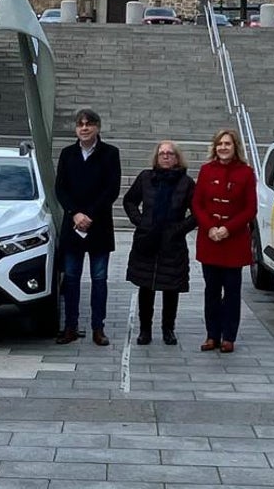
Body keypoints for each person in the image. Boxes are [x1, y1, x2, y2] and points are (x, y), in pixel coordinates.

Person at [54, 108, 122, 346]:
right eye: (80, 124)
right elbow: (60, 188)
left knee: (99, 278)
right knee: (71, 278)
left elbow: (111, 189)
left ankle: (98, 328)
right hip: (73, 225)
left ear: (97, 127)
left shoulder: (110, 154)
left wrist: (89, 214)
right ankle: (70, 327)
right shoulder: (67, 154)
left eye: (89, 124)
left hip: (98, 225)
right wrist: (75, 213)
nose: (84, 128)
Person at [122, 140, 196, 346]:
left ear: (177, 158)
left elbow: (197, 213)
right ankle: (145, 329)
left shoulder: (186, 182)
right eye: (162, 153)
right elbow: (129, 201)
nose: (165, 156)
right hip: (147, 240)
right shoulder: (146, 178)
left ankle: (168, 329)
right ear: (156, 157)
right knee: (146, 287)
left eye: (170, 153)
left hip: (172, 243)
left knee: (171, 287)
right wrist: (140, 221)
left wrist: (178, 230)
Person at [192, 128, 257, 353]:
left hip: (233, 241)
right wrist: (210, 227)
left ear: (235, 147)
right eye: (220, 144)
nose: (223, 148)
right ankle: (212, 335)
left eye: (227, 144)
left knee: (231, 291)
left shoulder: (246, 173)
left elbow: (250, 208)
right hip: (210, 240)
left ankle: (229, 336)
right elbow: (197, 204)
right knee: (211, 291)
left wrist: (227, 229)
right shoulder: (206, 170)